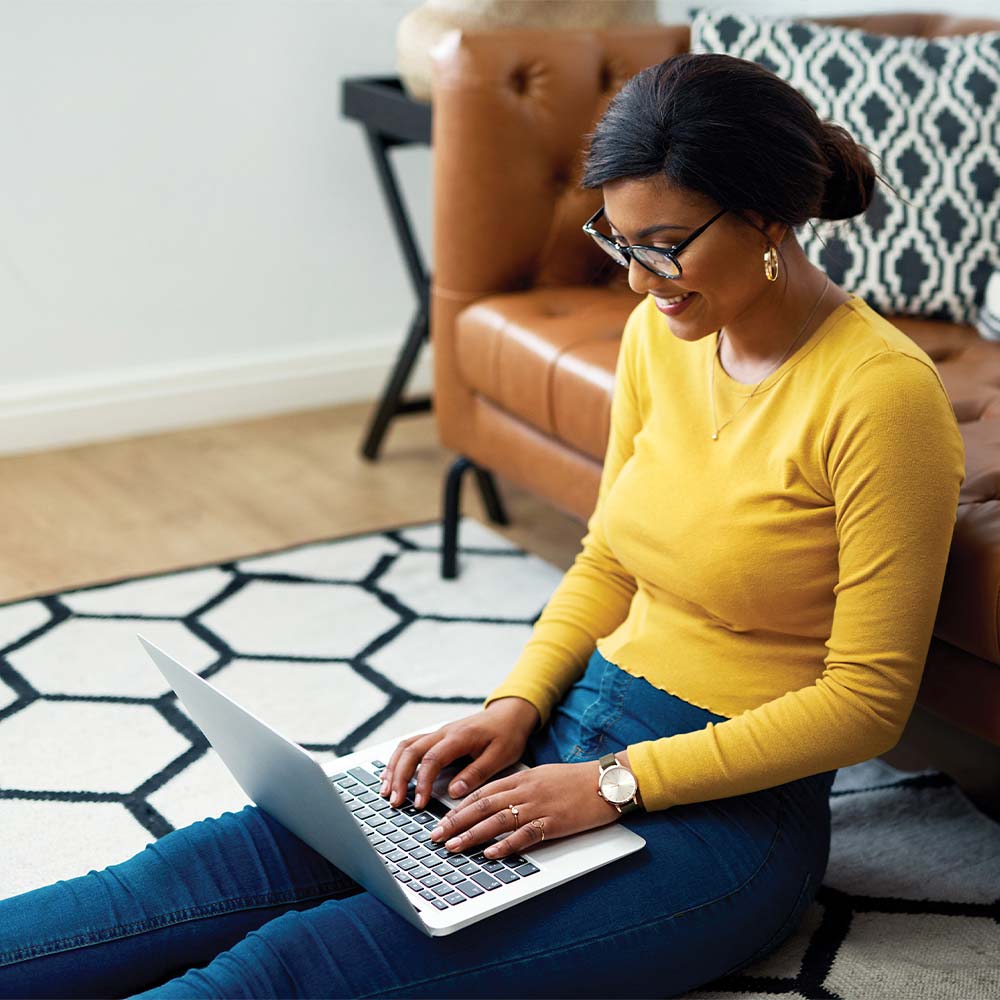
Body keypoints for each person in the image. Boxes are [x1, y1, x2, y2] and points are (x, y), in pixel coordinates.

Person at [0, 51, 965, 999]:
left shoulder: (880, 397)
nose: (640, 281)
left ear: (766, 215)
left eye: (664, 245)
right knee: (184, 880)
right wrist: (514, 708)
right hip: (567, 733)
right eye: (621, 244)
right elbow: (608, 561)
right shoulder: (663, 334)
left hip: (726, 821)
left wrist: (613, 786)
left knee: (294, 969)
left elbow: (865, 703)